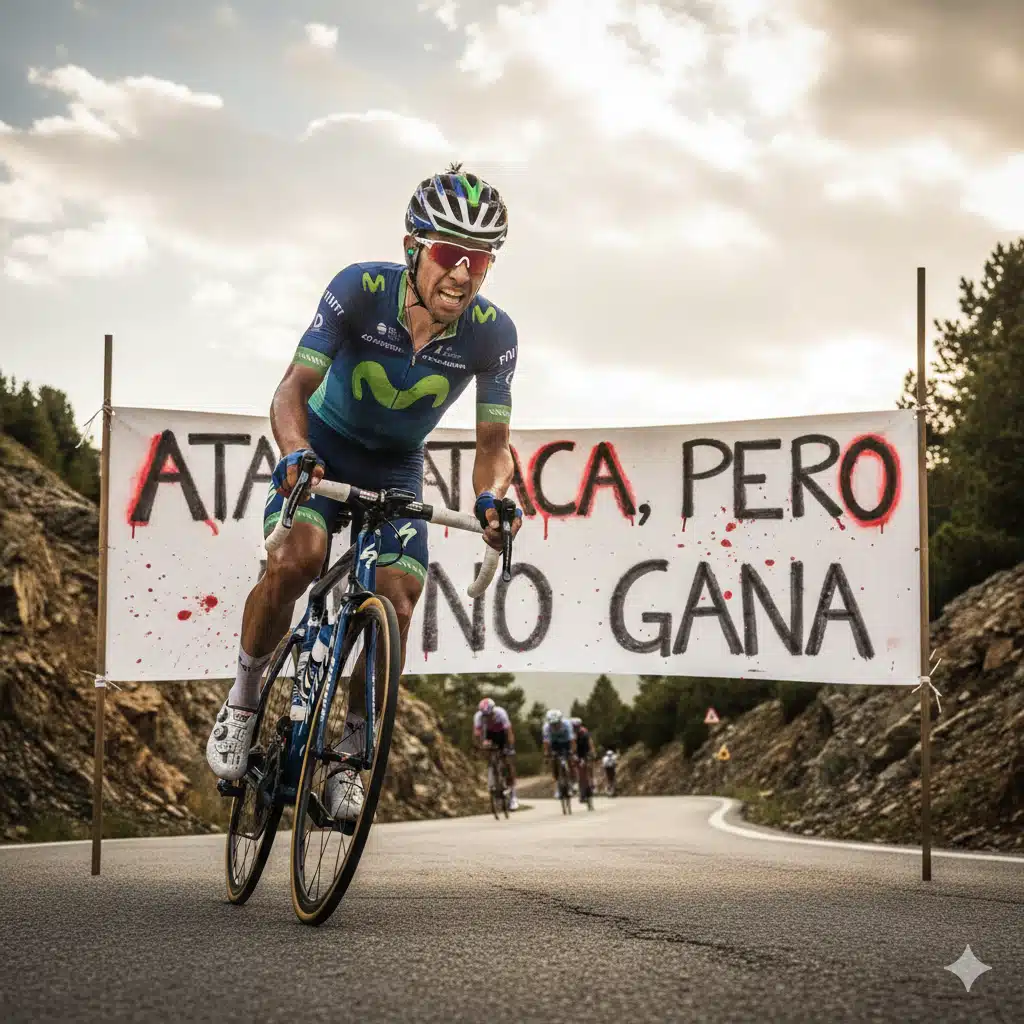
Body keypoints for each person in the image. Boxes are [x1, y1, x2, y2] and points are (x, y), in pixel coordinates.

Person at [205, 163, 523, 825]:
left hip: (397, 469)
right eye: (450, 254)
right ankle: (242, 701)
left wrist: (495, 498)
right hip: (323, 446)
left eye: (480, 262)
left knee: (399, 600)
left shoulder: (494, 334)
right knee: (297, 561)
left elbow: (493, 448)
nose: (463, 275)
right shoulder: (360, 288)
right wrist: (296, 452)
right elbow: (291, 388)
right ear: (415, 250)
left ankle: (351, 755)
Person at [473, 697, 518, 811]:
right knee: (488, 754)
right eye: (485, 715)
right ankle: (493, 776)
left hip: (502, 734)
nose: (488, 717)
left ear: (493, 710)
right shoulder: (478, 717)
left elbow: (509, 733)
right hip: (489, 734)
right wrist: (480, 747)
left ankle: (513, 795)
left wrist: (510, 747)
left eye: (489, 715)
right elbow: (477, 735)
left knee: (508, 761)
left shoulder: (501, 713)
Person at [541, 708, 576, 799]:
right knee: (554, 762)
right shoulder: (546, 727)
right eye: (553, 724)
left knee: (570, 760)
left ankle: (573, 782)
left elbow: (572, 740)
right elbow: (546, 742)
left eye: (557, 723)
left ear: (560, 720)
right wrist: (546, 754)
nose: (555, 726)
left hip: (566, 743)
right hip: (554, 744)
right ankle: (558, 787)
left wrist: (572, 752)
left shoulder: (567, 724)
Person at [571, 716, 594, 803]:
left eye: (577, 727)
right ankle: (582, 793)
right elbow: (571, 747)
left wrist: (592, 752)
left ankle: (592, 781)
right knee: (580, 774)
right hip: (577, 752)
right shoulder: (571, 734)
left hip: (585, 750)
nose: (575, 728)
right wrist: (573, 756)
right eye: (574, 727)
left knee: (589, 766)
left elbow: (590, 742)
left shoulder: (584, 732)